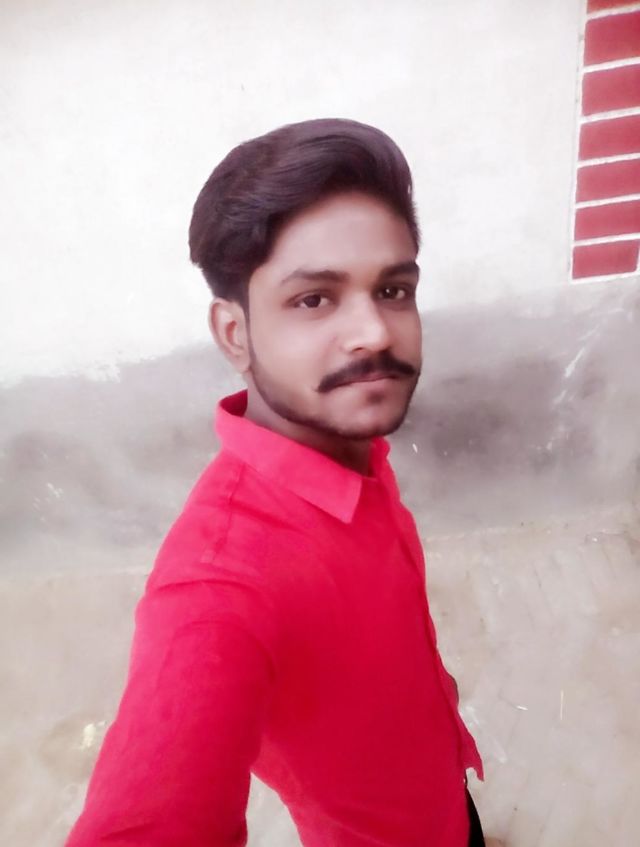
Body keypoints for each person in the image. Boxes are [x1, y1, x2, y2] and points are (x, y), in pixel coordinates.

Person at [65, 118, 500, 846]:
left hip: (446, 793)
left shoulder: (352, 445)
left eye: (393, 289)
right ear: (234, 333)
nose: (375, 332)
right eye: (314, 299)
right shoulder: (216, 587)